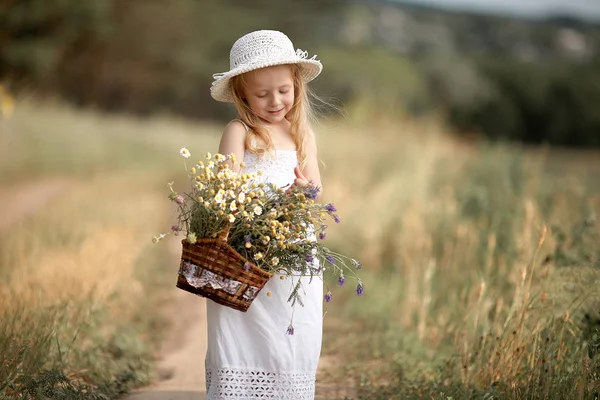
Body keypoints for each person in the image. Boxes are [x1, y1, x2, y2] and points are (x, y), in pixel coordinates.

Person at [205, 30, 324, 399]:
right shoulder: (239, 132)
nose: (276, 101)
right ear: (242, 95)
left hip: (292, 252)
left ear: (296, 86)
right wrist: (256, 208)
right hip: (245, 253)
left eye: (284, 90)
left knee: (292, 333)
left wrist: (304, 193)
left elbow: (316, 193)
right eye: (262, 94)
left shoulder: (301, 133)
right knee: (242, 331)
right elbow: (225, 191)